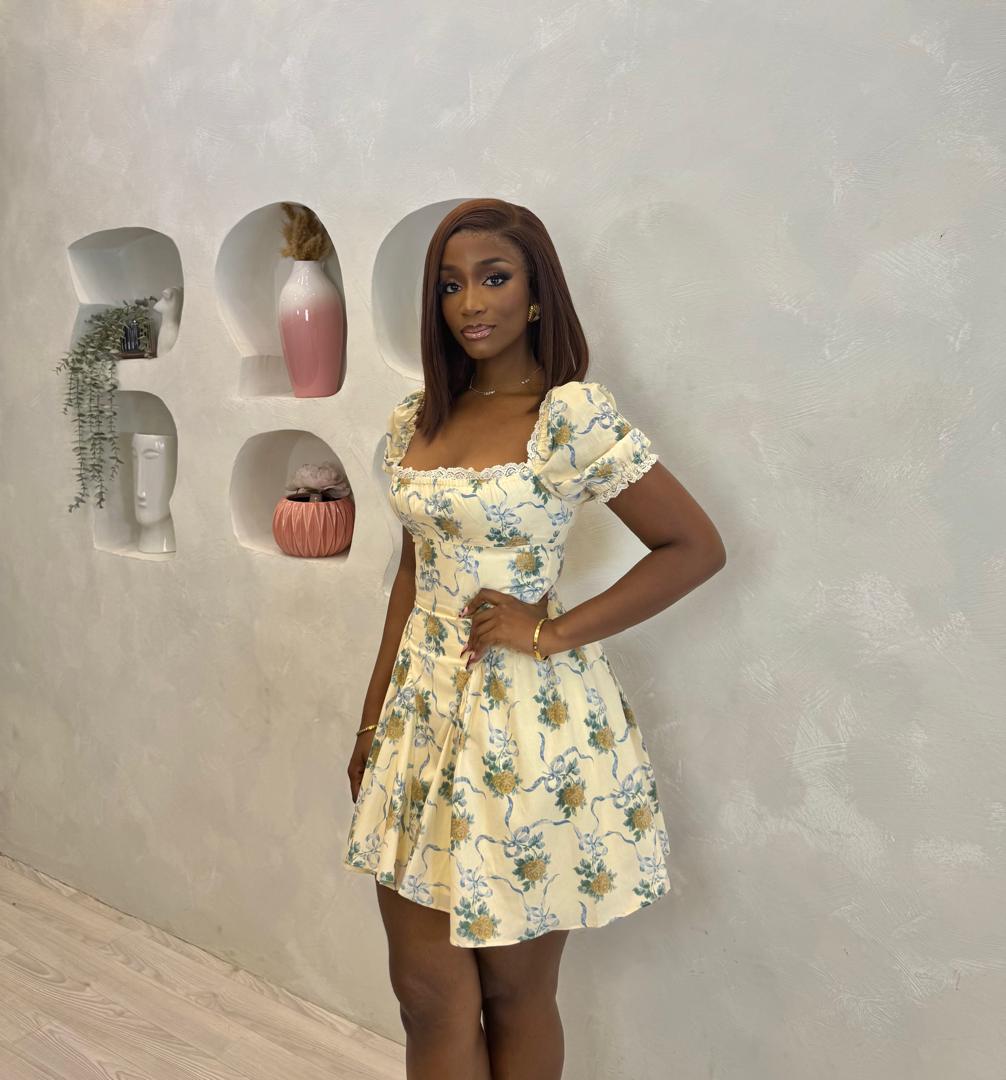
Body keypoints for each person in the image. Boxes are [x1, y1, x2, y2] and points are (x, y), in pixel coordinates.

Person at [343, 197, 726, 1079]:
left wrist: (548, 630)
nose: (471, 302)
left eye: (494, 278)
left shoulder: (570, 416)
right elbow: (410, 576)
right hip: (420, 719)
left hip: (526, 727)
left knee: (515, 993)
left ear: (538, 294)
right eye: (450, 285)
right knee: (426, 993)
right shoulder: (416, 418)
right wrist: (371, 722)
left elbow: (694, 547)